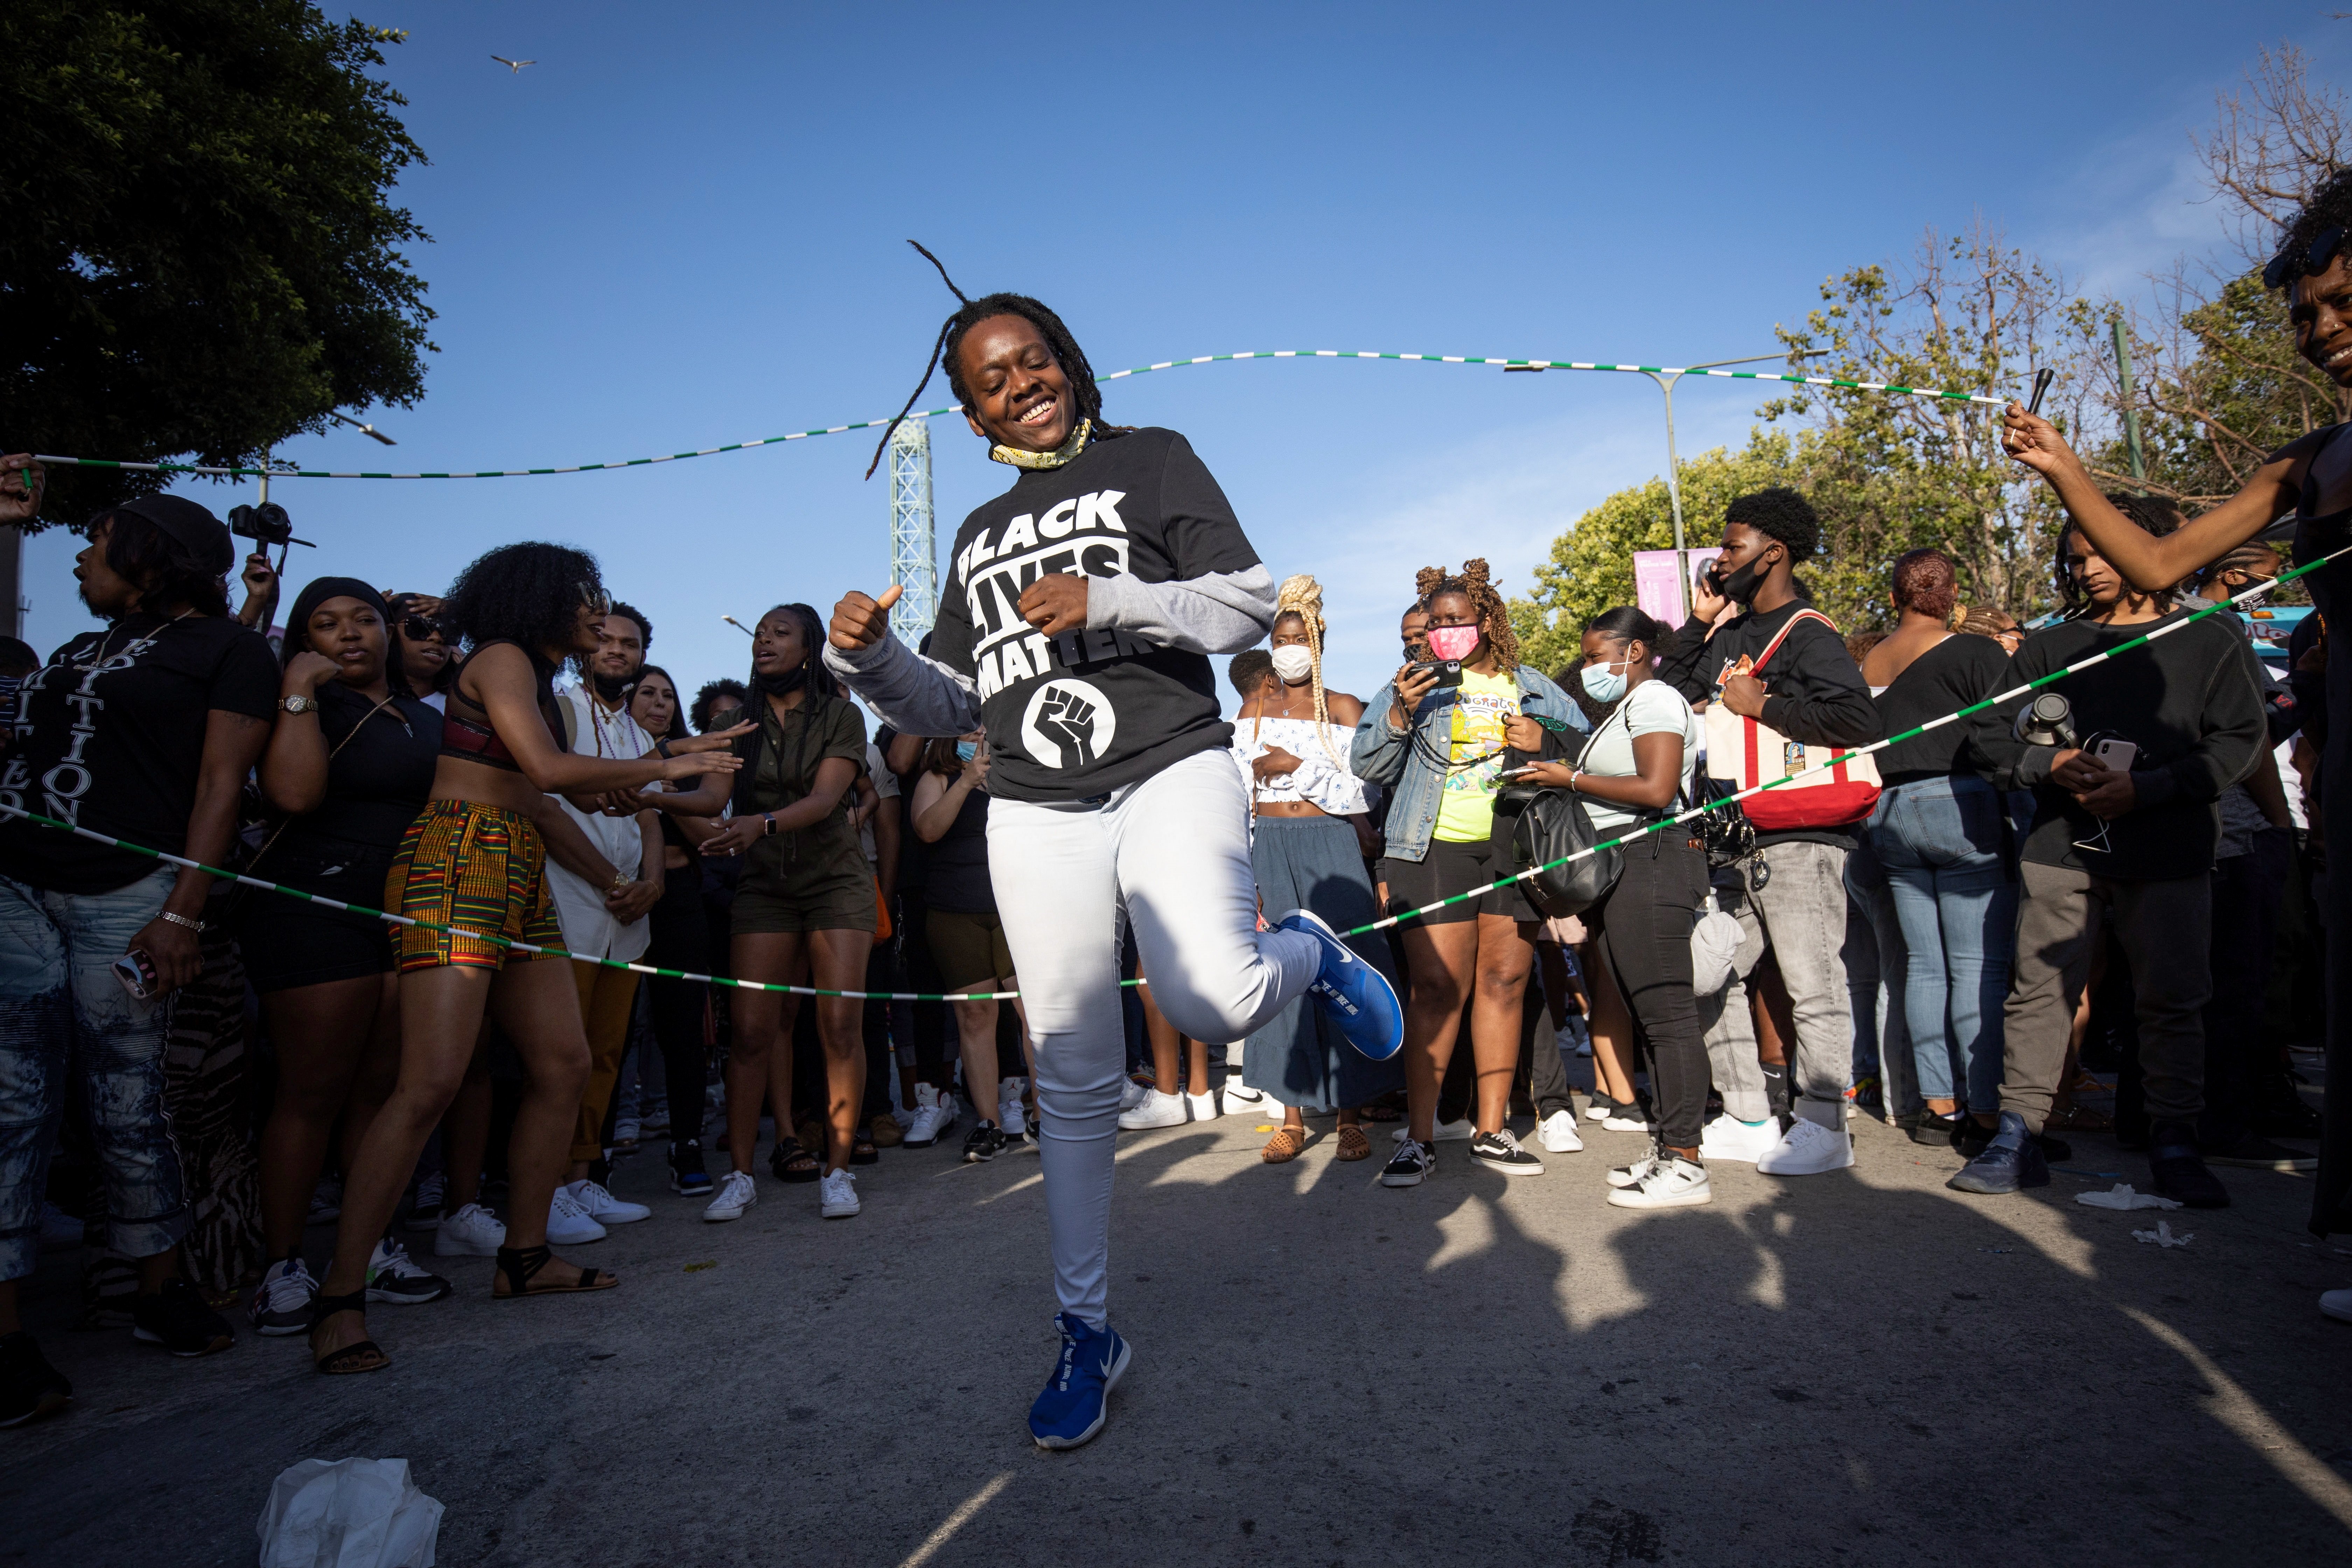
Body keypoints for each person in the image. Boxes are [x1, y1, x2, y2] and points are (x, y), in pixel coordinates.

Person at [826, 266, 1396, 1448]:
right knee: (1075, 1078)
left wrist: (1113, 600)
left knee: (1210, 993)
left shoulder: (1152, 456)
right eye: (990, 383)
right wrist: (868, 661)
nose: (1018, 385)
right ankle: (1087, 1331)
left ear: (1069, 362)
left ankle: (1310, 952)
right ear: (973, 419)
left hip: (1170, 762)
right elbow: (953, 698)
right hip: (1034, 805)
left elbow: (1245, 607)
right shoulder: (978, 533)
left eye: (1031, 361)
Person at [306, 543, 742, 1375]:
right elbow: (545, 768)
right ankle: (339, 1296)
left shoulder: (533, 679)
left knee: (563, 1063)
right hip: (458, 858)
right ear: (543, 597)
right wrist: (670, 760)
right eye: (586, 600)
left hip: (512, 863)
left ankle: (527, 1256)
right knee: (430, 1082)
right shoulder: (504, 658)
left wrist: (647, 786)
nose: (597, 613)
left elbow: (543, 787)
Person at [0, 493, 275, 1422]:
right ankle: (4, 1336)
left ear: (154, 555)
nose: (79, 554)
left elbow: (220, 784)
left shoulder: (228, 651)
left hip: (127, 896)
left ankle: (160, 1289)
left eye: (98, 539)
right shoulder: (79, 649)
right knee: (13, 1106)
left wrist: (183, 911)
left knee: (128, 1099)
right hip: (16, 891)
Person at [1943, 502, 2263, 1208]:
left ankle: (2175, 1137)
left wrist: (2148, 787)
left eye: (2101, 552)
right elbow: (1989, 737)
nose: (2087, 567)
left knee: (2173, 997)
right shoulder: (2050, 647)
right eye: (2077, 555)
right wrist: (2050, 765)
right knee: (2038, 991)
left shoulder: (2212, 636)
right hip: (2061, 848)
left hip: (2171, 848)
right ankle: (2019, 1132)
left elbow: (2240, 741)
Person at [242, 578, 453, 1337]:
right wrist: (298, 686)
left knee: (379, 1091)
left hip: (401, 911)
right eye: (326, 624)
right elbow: (292, 796)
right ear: (305, 637)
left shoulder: (418, 716)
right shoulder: (304, 700)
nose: (350, 634)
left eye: (365, 618)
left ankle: (369, 1249)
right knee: (310, 1092)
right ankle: (285, 1264)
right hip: (311, 908)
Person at [1658, 489, 1883, 1177]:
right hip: (1736, 839)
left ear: (1773, 551)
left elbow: (1858, 721)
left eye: (1732, 546)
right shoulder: (1728, 633)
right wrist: (1699, 619)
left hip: (1802, 835)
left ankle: (1823, 1122)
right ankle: (1750, 1114)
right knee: (1714, 969)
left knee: (1813, 983)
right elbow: (1668, 690)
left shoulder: (1808, 630)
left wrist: (1766, 705)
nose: (1720, 558)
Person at [1352, 559, 1584, 1188]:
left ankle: (1491, 1130)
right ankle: (1420, 1138)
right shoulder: (1413, 682)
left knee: (1506, 982)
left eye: (1457, 621)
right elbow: (1366, 763)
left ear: (1487, 622)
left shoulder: (1530, 684)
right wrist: (1401, 712)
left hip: (1511, 846)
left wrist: (1548, 738)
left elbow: (1583, 745)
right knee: (1435, 989)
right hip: (1431, 848)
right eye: (1435, 623)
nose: (1443, 632)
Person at [1512, 609, 1710, 1206]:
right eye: (1588, 656)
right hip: (1628, 867)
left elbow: (1655, 788)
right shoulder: (1629, 707)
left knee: (1668, 1015)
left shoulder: (1654, 701)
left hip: (1652, 861)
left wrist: (1569, 780)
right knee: (1649, 1012)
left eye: (1600, 655)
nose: (1591, 667)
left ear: (1639, 649)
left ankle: (1685, 1161)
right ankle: (1671, 1147)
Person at [695, 604, 875, 1225]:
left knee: (839, 1028)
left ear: (809, 649)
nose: (765, 641)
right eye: (761, 633)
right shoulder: (734, 721)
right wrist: (648, 794)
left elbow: (828, 799)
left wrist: (761, 823)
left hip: (835, 883)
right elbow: (712, 797)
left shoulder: (839, 715)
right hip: (766, 886)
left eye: (781, 633)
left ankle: (839, 1170)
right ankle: (741, 1175)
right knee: (749, 1031)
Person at [1233, 575, 1400, 1165]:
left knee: (1343, 972)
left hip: (1331, 844)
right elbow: (1241, 789)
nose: (1289, 648)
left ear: (1320, 642)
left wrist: (1293, 763)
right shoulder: (1253, 709)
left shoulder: (1349, 708)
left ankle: (1351, 1114)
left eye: (1299, 637)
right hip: (1272, 844)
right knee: (1283, 974)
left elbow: (1359, 793)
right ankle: (1292, 1117)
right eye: (1280, 638)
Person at [1857, 550, 2019, 1154]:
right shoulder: (1975, 653)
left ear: (1895, 595)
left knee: (1923, 967)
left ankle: (1937, 1106)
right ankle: (1983, 1109)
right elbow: (2005, 734)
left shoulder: (1871, 659)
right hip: (1961, 803)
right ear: (1951, 594)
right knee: (1978, 966)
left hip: (1891, 811)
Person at [538, 602, 670, 1240]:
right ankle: (546, 1190)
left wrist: (653, 883)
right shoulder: (558, 710)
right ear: (584, 647)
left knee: (608, 1050)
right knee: (563, 1054)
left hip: (629, 914)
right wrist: (611, 880)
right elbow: (546, 806)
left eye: (631, 643)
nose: (617, 651)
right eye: (607, 640)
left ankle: (583, 1179)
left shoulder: (640, 735)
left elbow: (651, 816)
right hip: (572, 901)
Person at [909, 734, 1035, 1162]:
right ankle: (989, 1123)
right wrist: (965, 782)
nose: (977, 737)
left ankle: (1049, 1115)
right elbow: (927, 829)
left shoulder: (1017, 772)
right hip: (955, 909)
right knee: (976, 1014)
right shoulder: (938, 776)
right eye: (966, 731)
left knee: (1032, 1011)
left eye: (982, 727)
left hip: (1015, 905)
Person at [628, 665, 722, 1198]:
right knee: (613, 1034)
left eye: (668, 696)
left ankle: (686, 1143)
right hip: (611, 898)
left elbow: (711, 835)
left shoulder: (691, 765)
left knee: (684, 1032)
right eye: (648, 693)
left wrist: (663, 792)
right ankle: (587, 1163)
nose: (660, 704)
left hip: (681, 904)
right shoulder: (600, 755)